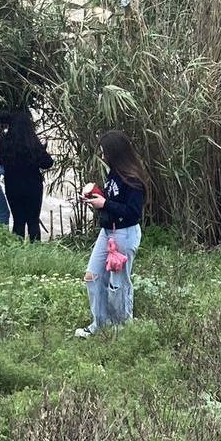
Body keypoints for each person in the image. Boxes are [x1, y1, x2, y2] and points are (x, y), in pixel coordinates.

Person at [75, 130, 149, 338]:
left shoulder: (132, 179)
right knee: (92, 275)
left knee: (118, 283)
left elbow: (133, 212)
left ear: (115, 153)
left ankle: (123, 326)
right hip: (107, 232)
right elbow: (112, 198)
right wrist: (96, 195)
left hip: (124, 234)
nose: (102, 156)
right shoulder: (113, 173)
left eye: (104, 152)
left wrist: (105, 203)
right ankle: (100, 323)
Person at [0, 111, 53, 241]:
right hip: (33, 187)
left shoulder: (5, 143)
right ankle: (36, 251)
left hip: (13, 187)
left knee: (18, 221)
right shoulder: (33, 144)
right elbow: (48, 163)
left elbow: (0, 161)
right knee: (33, 221)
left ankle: (17, 251)